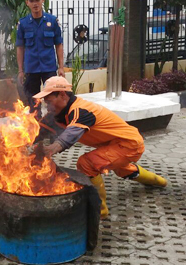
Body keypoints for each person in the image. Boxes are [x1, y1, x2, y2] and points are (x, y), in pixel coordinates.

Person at [33, 76, 167, 218]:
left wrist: (52, 149)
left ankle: (99, 211)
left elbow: (71, 134)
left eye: (49, 101)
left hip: (129, 144)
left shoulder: (81, 110)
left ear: (62, 94)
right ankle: (161, 182)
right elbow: (38, 131)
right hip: (113, 145)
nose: (47, 105)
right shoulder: (56, 114)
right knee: (122, 169)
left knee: (87, 163)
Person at [16, 0, 65, 118]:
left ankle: (53, 130)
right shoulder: (23, 23)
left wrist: (61, 67)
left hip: (49, 68)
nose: (35, 3)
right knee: (33, 103)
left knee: (53, 101)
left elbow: (58, 44)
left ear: (42, 0)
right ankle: (36, 131)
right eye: (32, 1)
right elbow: (20, 47)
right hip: (31, 69)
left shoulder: (52, 21)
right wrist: (21, 70)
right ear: (27, 3)